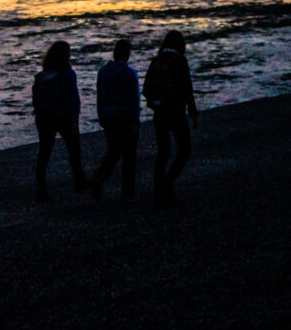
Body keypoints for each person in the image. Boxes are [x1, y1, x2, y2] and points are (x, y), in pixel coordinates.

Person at [143, 30, 199, 209]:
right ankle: (167, 184)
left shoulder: (156, 61)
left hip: (159, 112)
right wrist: (193, 112)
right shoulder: (180, 61)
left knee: (163, 152)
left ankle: (158, 193)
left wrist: (155, 103)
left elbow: (145, 89)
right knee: (184, 149)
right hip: (176, 112)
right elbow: (187, 89)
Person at [32, 40, 86, 201]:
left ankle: (41, 187)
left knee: (44, 152)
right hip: (62, 117)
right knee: (74, 148)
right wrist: (75, 122)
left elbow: (35, 99)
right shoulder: (68, 74)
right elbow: (73, 100)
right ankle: (79, 181)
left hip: (43, 117)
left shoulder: (43, 74)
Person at [90, 38, 140, 201]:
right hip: (125, 117)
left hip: (108, 116)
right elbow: (133, 100)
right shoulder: (130, 73)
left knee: (113, 152)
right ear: (127, 54)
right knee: (129, 155)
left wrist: (101, 115)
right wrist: (134, 122)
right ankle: (128, 191)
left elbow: (100, 96)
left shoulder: (103, 72)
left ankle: (98, 178)